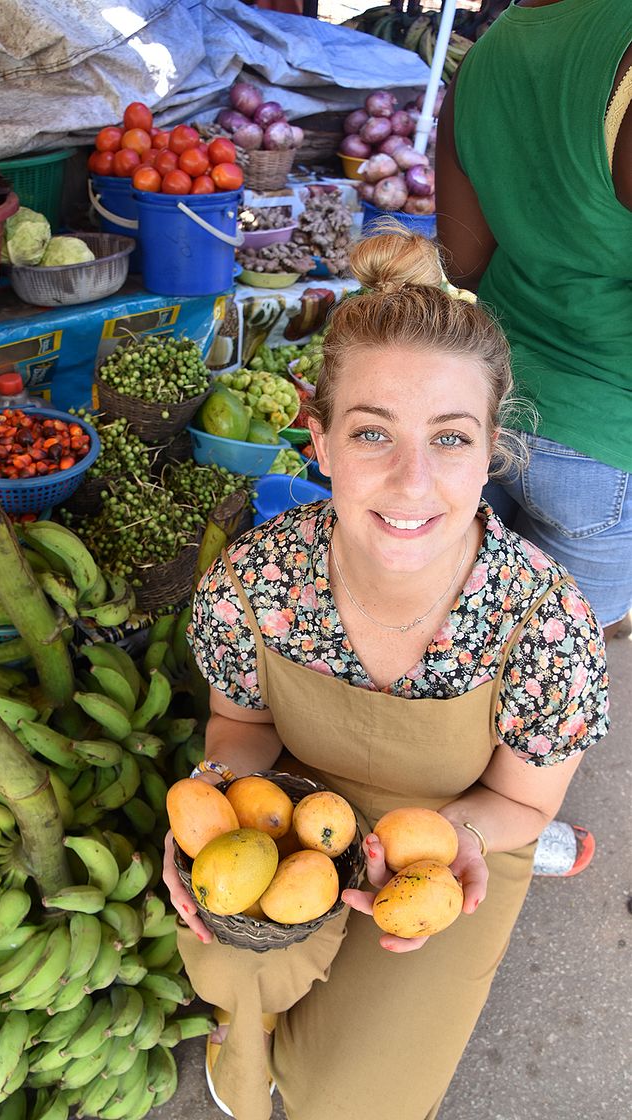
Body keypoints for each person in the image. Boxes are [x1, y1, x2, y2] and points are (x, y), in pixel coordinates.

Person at [162, 226, 609, 1120]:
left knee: (355, 1103)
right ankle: (249, 1021)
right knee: (226, 956)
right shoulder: (254, 582)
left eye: (450, 439)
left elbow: (523, 800)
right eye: (373, 432)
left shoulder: (547, 622)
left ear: (492, 452)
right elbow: (240, 731)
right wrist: (214, 810)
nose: (412, 482)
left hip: (448, 845)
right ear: (318, 442)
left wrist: (469, 843)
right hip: (298, 823)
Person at [435, 0, 632, 643]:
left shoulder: (484, 57)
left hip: (489, 409)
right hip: (605, 441)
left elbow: (462, 262)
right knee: (549, 690)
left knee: (459, 652)